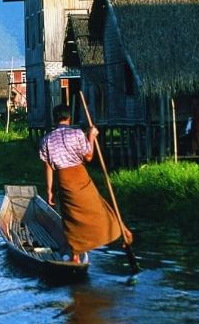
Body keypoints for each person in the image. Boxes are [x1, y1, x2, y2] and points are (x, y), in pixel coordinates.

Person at [39, 105, 132, 263]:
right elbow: (88, 157)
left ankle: (75, 255)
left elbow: (48, 167)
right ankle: (123, 233)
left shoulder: (46, 140)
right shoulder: (76, 133)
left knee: (70, 218)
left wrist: (49, 191)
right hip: (80, 178)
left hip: (64, 180)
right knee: (100, 209)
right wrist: (91, 136)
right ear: (69, 118)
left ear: (55, 119)